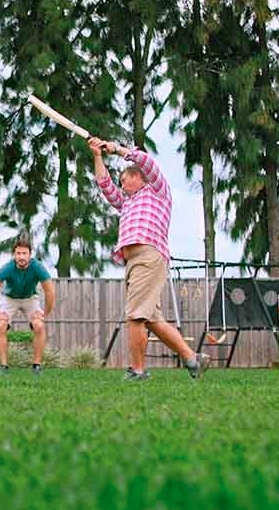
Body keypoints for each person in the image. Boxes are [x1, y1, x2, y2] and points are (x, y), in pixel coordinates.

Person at [87, 136, 210, 381]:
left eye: (124, 179)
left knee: (135, 315)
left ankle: (137, 371)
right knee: (151, 319)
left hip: (148, 255)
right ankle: (192, 359)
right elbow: (104, 185)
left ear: (138, 177)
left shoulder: (157, 190)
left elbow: (143, 159)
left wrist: (114, 148)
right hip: (133, 261)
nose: (120, 185)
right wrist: (97, 155)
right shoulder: (127, 202)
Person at [0, 236, 55, 376]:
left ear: (30, 255)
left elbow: (50, 293)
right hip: (9, 298)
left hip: (30, 298)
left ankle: (36, 366)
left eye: (24, 253)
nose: (21, 256)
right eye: (18, 253)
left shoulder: (37, 267)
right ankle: (4, 366)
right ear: (14, 254)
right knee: (1, 325)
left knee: (39, 325)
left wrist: (45, 314)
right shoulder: (8, 268)